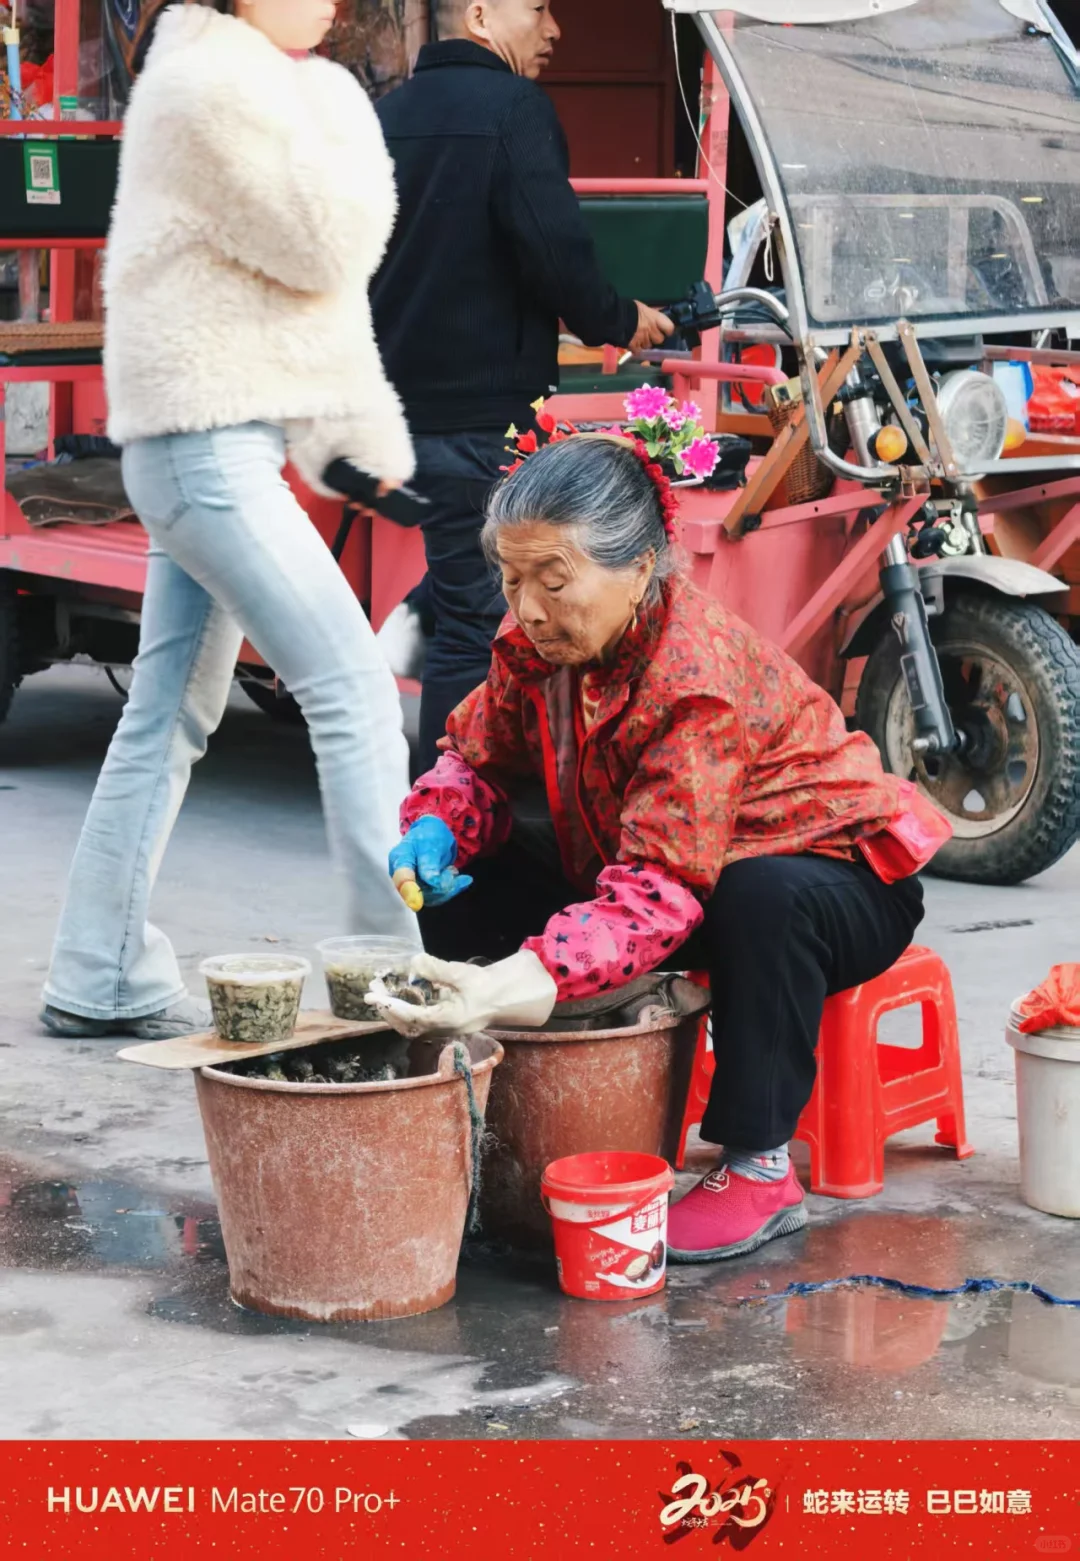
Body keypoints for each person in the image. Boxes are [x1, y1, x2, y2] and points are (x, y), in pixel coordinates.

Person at [372, 435, 949, 1263]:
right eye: (512, 579)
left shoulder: (695, 673)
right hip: (663, 867)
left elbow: (662, 889)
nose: (529, 607)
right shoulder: (535, 643)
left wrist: (522, 974)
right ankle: (533, 1092)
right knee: (471, 877)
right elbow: (477, 756)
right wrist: (441, 819)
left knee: (762, 897)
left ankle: (758, 1169)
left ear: (641, 567)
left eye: (554, 580)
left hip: (834, 881)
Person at [41, 0, 419, 1041]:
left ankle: (99, 968)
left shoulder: (248, 84)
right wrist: (343, 114)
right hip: (204, 446)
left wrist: (353, 438)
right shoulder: (214, 85)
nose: (333, 3)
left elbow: (307, 296)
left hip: (208, 441)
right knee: (352, 692)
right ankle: (394, 992)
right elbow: (324, 242)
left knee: (168, 714)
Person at [370, 0, 675, 772]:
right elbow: (556, 256)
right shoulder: (514, 111)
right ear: (480, 14)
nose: (555, 29)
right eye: (537, 8)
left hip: (398, 414)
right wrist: (620, 318)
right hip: (484, 422)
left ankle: (474, 800)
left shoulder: (384, 117)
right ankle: (451, 812)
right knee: (479, 625)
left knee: (469, 600)